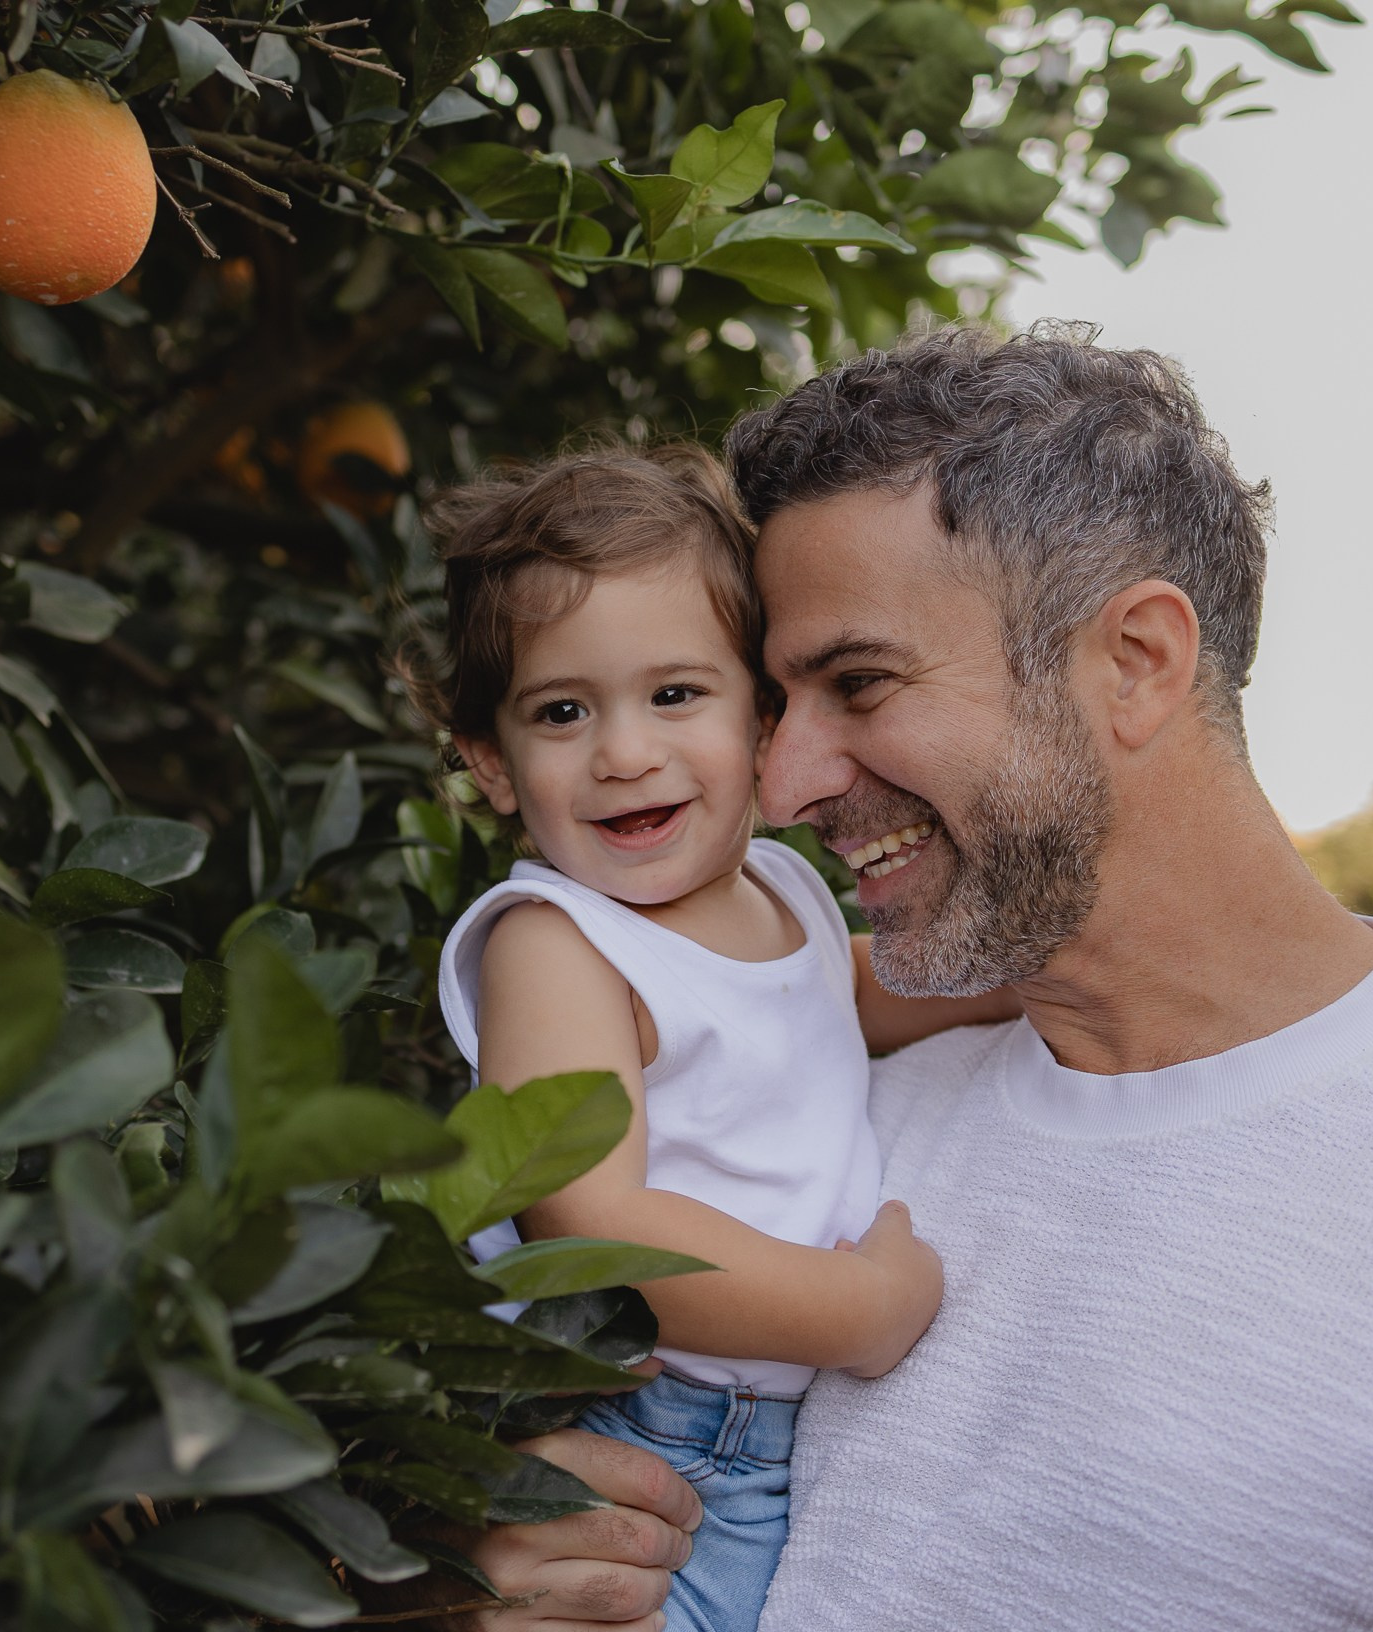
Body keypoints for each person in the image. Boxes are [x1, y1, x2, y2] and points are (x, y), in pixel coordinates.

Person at [446, 326, 1373, 1631]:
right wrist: (512, 1573)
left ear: (1136, 662)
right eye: (779, 702)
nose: (787, 777)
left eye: (859, 686)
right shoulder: (835, 1106)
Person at [412, 445, 1017, 1632]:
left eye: (675, 695)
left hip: (760, 1441)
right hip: (646, 1433)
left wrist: (994, 985)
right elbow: (592, 1225)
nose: (624, 751)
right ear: (491, 762)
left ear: (763, 721)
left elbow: (831, 994)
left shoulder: (781, 886)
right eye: (562, 711)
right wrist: (860, 1311)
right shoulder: (559, 944)